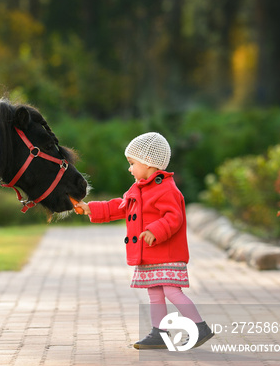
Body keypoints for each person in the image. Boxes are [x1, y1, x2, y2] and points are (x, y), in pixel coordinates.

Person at [74, 132, 213, 349]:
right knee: (154, 292)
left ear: (148, 163)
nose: (129, 168)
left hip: (166, 253)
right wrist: (91, 208)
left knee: (171, 290)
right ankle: (159, 332)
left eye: (132, 163)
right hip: (150, 254)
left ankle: (199, 327)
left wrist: (155, 230)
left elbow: (174, 217)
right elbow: (120, 206)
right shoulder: (138, 188)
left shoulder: (166, 189)